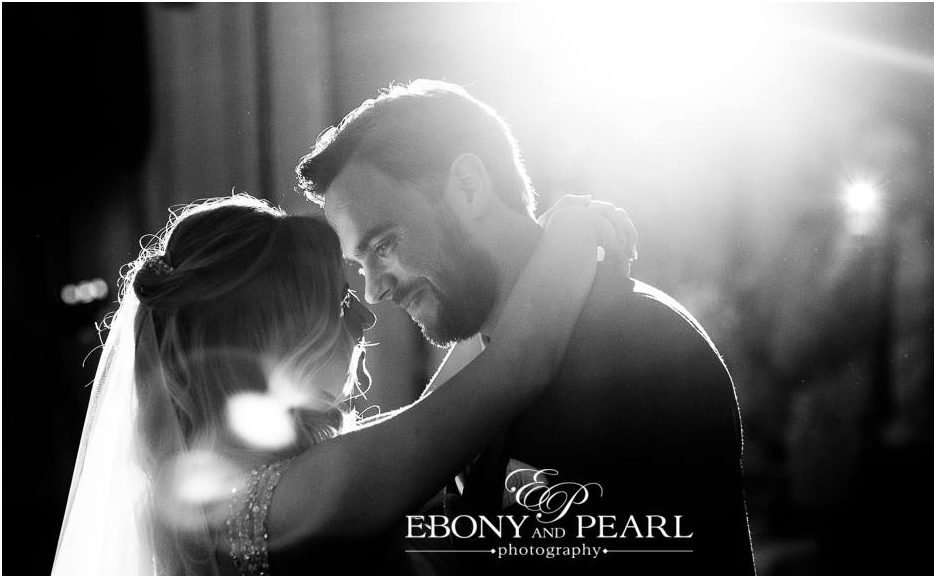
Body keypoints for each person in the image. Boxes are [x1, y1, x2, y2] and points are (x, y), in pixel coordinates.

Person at [296, 79, 756, 575]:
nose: (372, 290)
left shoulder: (645, 350)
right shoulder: (485, 373)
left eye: (384, 246)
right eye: (359, 263)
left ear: (468, 187)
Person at [52, 193, 625, 575]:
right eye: (340, 303)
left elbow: (446, 403)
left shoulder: (225, 493)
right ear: (275, 340)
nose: (368, 317)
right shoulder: (295, 497)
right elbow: (515, 368)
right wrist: (573, 232)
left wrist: (521, 257)